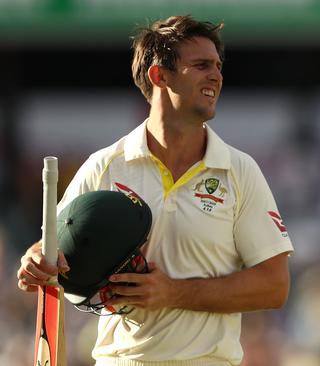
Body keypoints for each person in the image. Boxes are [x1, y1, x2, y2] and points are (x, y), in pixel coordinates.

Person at [16, 15, 293, 366]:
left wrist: (173, 293)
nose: (217, 76)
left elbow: (274, 285)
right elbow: (54, 250)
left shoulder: (239, 171)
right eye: (201, 65)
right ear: (159, 75)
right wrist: (35, 262)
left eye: (218, 67)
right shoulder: (105, 165)